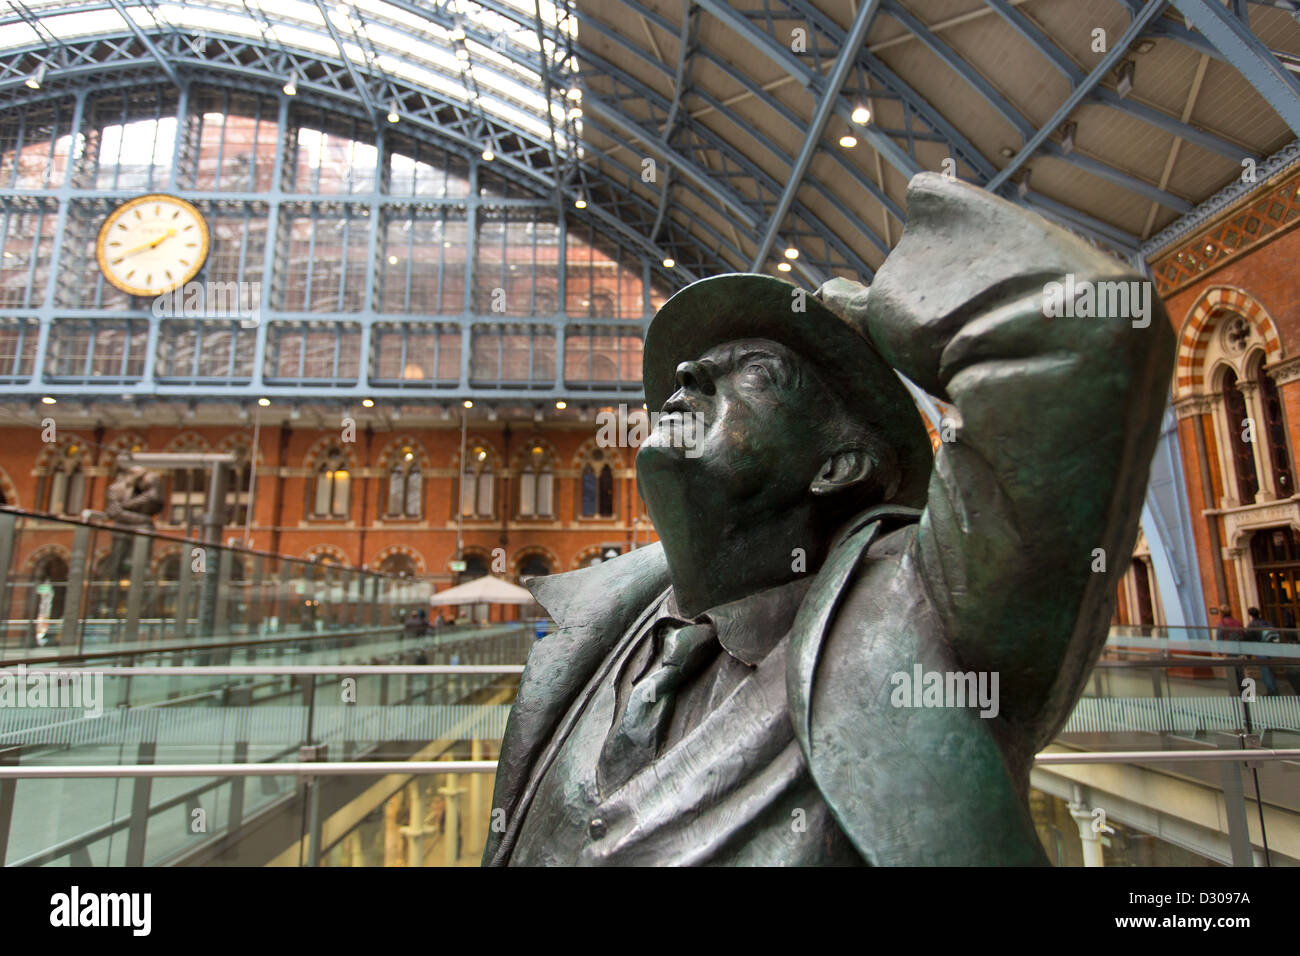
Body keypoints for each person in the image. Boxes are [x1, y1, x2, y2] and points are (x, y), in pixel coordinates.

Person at [482, 173, 1175, 866]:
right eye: (690, 371)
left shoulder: (916, 617)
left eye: (754, 370)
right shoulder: (595, 632)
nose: (686, 372)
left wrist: (880, 314)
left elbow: (1090, 330)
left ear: (838, 466)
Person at [1247, 606, 1281, 695]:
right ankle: (1273, 688)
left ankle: (1272, 691)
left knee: (1265, 670)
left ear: (1250, 615)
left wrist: (1249, 654)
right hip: (1271, 649)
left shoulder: (1252, 625)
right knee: (1270, 669)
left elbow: (1249, 639)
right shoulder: (1266, 623)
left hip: (1261, 649)